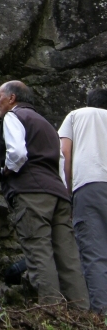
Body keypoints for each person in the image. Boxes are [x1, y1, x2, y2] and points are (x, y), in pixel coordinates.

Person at [0, 81, 88, 308]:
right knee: (68, 256)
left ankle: (52, 310)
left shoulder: (14, 117)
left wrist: (4, 171)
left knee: (39, 251)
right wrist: (64, 191)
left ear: (12, 98)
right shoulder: (46, 124)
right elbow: (62, 161)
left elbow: (17, 153)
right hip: (58, 194)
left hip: (31, 192)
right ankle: (82, 312)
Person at [59, 87, 107, 313]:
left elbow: (64, 153)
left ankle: (101, 314)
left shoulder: (77, 115)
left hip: (90, 185)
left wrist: (66, 192)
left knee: (94, 254)